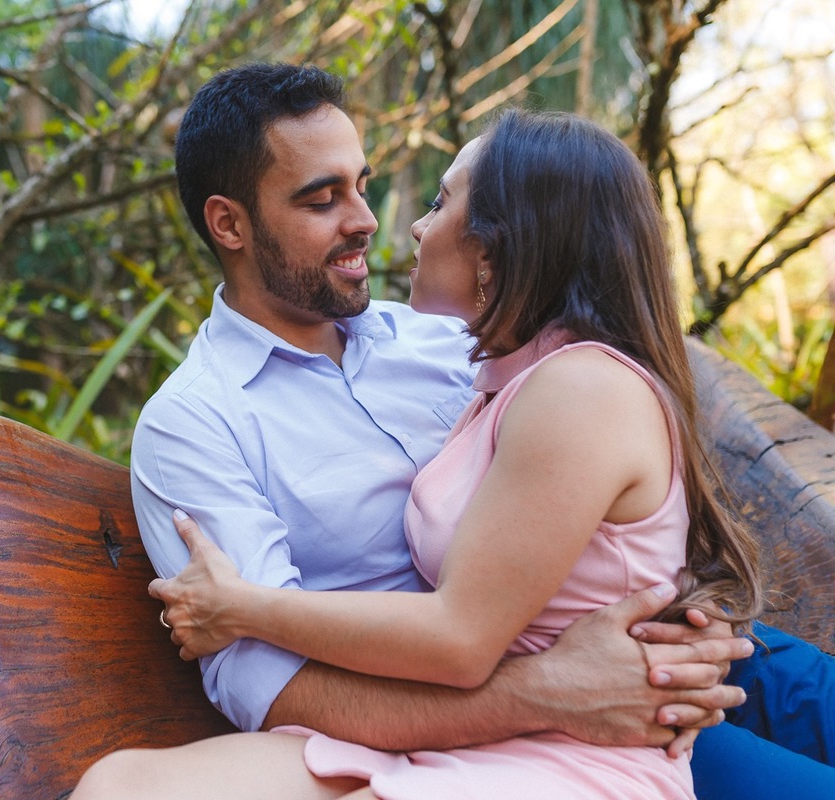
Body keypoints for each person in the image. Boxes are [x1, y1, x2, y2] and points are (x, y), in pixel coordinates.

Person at [72, 64, 835, 798]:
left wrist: (693, 604)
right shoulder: (197, 423)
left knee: (797, 684)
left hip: (655, 645)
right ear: (229, 223)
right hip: (512, 711)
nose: (369, 220)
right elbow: (269, 684)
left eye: (363, 185)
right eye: (322, 199)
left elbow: (616, 458)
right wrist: (550, 693)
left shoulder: (451, 336)